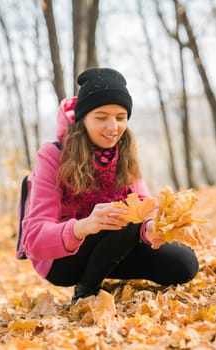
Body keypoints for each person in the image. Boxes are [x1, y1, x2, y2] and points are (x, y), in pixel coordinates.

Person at [22, 67, 199, 305]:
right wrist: (84, 226)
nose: (112, 127)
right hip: (63, 259)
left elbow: (144, 204)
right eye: (101, 117)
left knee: (184, 264)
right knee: (124, 217)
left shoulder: (125, 150)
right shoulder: (53, 155)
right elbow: (33, 240)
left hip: (116, 244)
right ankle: (86, 288)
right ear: (83, 118)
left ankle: (103, 269)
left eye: (120, 117)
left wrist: (151, 228)